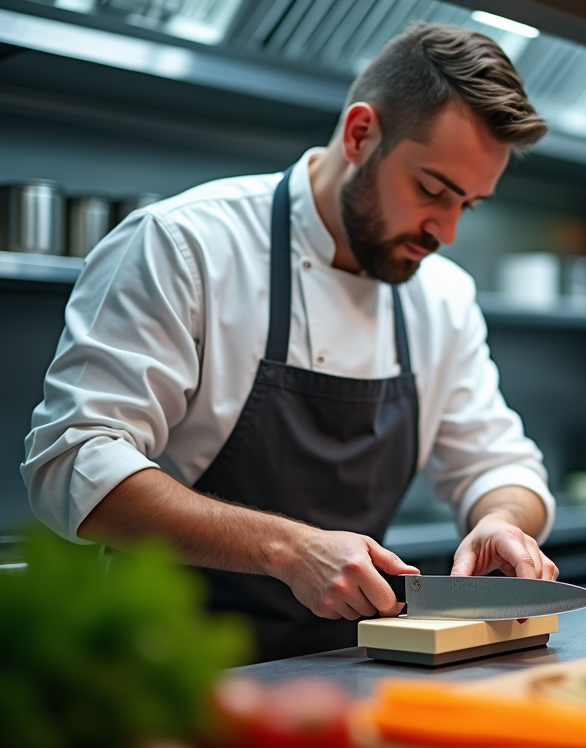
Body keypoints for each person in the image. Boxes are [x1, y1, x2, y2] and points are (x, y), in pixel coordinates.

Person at [22, 22, 558, 662]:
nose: (444, 229)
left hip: (353, 669)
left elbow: (499, 465)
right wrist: (287, 548)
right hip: (172, 670)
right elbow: (75, 461)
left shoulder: (442, 295)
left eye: (467, 205)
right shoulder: (185, 244)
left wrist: (501, 520)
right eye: (432, 190)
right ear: (361, 134)